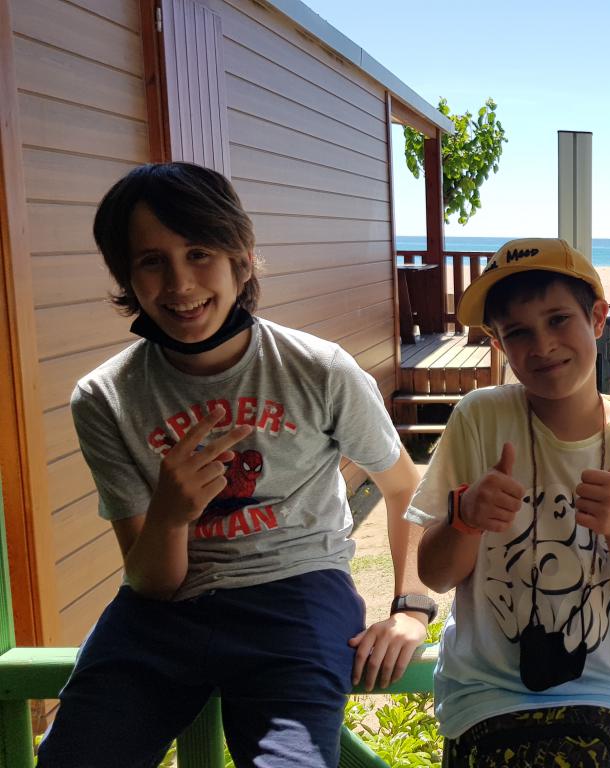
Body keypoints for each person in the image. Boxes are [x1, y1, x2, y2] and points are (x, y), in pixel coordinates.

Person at [37, 162, 431, 767]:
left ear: (241, 260)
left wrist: (411, 609)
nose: (179, 283)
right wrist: (170, 515)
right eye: (151, 261)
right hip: (161, 615)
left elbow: (405, 488)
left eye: (198, 253)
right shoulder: (106, 397)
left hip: (297, 596)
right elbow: (151, 582)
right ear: (126, 276)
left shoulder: (318, 369)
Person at [408, 238, 610, 768]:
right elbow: (436, 575)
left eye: (559, 320)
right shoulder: (479, 419)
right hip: (482, 696)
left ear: (597, 319)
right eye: (518, 332)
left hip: (604, 697)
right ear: (498, 343)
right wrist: (465, 519)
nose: (542, 345)